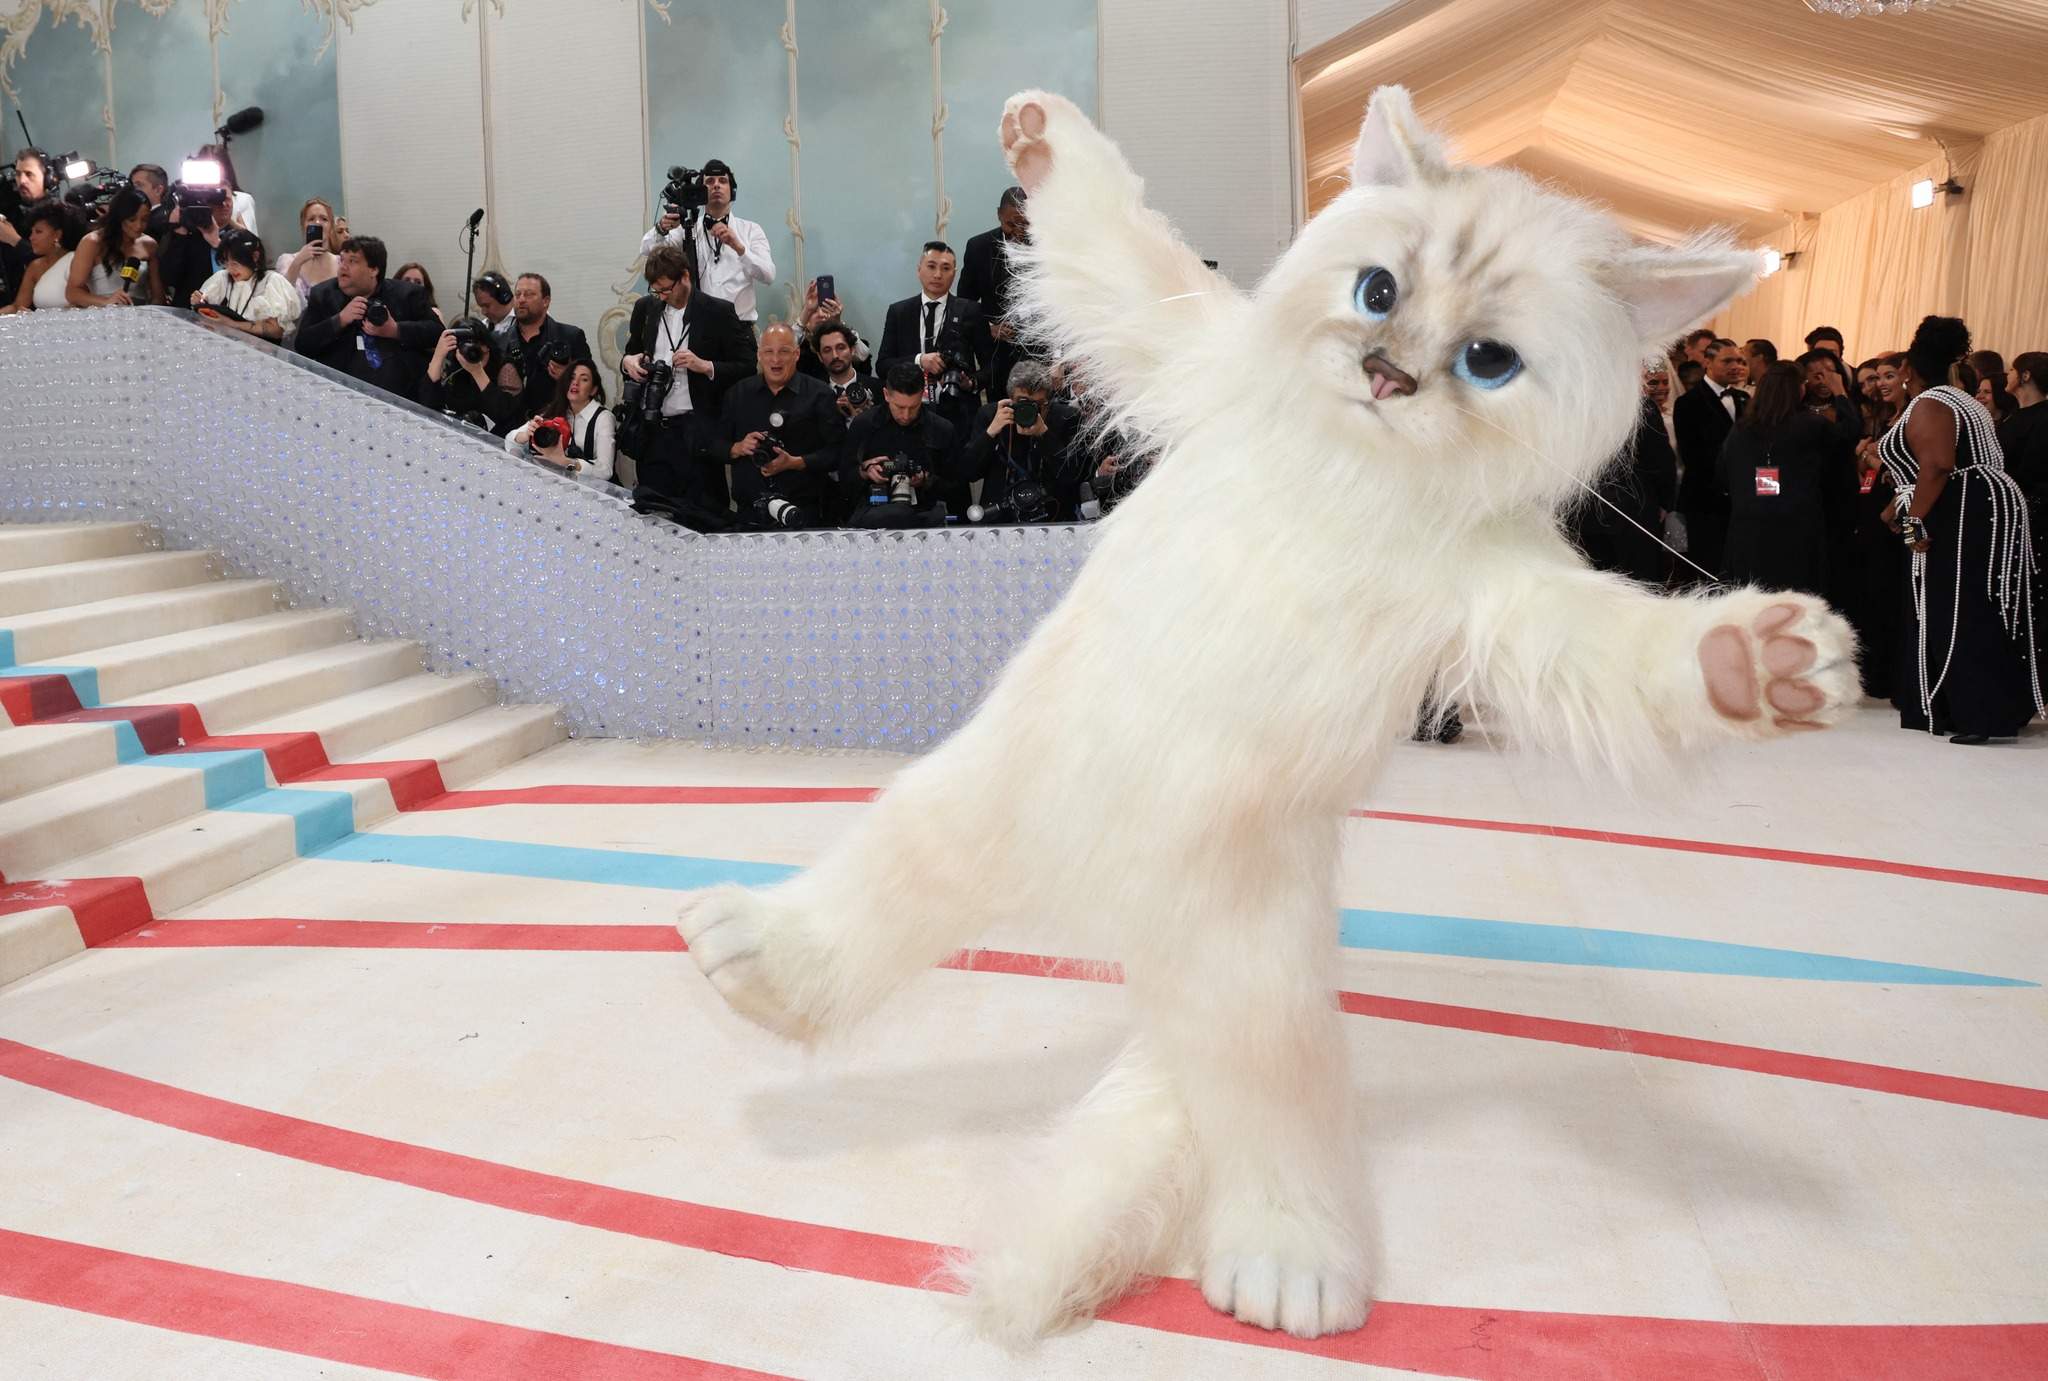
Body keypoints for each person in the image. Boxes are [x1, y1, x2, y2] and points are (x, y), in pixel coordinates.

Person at [1878, 315, 2045, 742]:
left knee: (1961, 607)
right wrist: (1897, 508)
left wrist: (1912, 521)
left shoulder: (1932, 401)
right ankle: (1977, 706)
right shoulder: (1962, 399)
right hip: (1983, 503)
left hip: (1963, 507)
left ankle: (1977, 713)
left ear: (1909, 371)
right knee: (1983, 604)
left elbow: (1936, 465)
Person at [619, 244, 755, 512]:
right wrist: (628, 362)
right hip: (654, 429)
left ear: (685, 277)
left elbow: (748, 365)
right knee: (652, 512)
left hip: (699, 434)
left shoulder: (718, 311)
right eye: (656, 290)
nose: (661, 296)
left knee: (705, 515)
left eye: (666, 289)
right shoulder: (646, 308)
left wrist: (705, 366)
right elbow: (631, 353)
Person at [1716, 360, 1859, 598]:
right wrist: (1840, 393)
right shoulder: (1812, 426)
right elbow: (1849, 434)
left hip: (1748, 529)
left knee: (1751, 602)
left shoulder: (1741, 429)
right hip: (1796, 531)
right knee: (1796, 603)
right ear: (1798, 389)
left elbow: (1721, 474)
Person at [719, 322, 847, 528]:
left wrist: (796, 462)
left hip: (804, 512)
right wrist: (738, 448)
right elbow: (715, 444)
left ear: (796, 354)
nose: (776, 360)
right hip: (749, 514)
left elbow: (838, 452)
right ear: (759, 355)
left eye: (784, 352)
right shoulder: (737, 394)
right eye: (769, 351)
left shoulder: (819, 394)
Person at [294, 234, 440, 396]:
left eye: (353, 261)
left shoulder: (407, 295)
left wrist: (396, 330)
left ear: (374, 269)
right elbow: (302, 345)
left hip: (400, 396)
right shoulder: (322, 295)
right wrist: (339, 320)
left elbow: (436, 333)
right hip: (340, 395)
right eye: (342, 260)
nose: (343, 267)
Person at [1576, 364, 1679, 585]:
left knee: (1595, 580)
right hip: (1633, 509)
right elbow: (1660, 461)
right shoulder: (1640, 407)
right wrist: (1664, 502)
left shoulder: (1571, 408)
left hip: (1582, 510)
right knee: (1639, 580)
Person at [639, 158, 772, 325]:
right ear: (701, 192)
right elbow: (647, 250)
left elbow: (768, 275)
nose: (716, 185)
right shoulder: (687, 229)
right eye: (709, 181)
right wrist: (661, 228)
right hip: (699, 328)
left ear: (733, 191)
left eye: (723, 181)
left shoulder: (751, 230)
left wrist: (739, 248)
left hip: (740, 327)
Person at [877, 240, 984, 431]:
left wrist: (971, 382)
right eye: (931, 266)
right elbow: (883, 365)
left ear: (954, 273)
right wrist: (919, 360)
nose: (937, 274)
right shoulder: (899, 311)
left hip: (957, 410)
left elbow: (991, 365)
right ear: (919, 270)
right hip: (910, 410)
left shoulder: (971, 310)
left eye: (945, 268)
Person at [840, 362, 959, 527]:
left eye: (913, 407)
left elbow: (955, 485)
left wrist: (926, 480)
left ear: (921, 395)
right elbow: (844, 479)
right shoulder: (864, 425)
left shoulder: (941, 429)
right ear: (886, 395)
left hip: (925, 516)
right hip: (873, 517)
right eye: (899, 407)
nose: (906, 415)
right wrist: (865, 472)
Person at [961, 360, 1080, 522]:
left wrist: (1044, 435)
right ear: (1010, 400)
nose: (1029, 410)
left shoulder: (1066, 417)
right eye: (1022, 402)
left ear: (1048, 402)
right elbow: (969, 472)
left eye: (1037, 405)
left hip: (1052, 514)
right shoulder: (990, 415)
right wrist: (990, 433)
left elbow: (1072, 476)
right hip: (1000, 516)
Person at [1673, 337, 1751, 579]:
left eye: (1739, 360)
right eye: (1727, 360)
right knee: (1707, 568)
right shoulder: (1688, 402)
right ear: (1707, 362)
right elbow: (1694, 457)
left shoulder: (1744, 400)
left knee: (1737, 567)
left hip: (1740, 501)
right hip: (1706, 501)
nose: (1736, 365)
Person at [960, 185, 1030, 394]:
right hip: (995, 353)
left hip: (1037, 351)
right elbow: (965, 302)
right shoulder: (978, 247)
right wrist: (988, 327)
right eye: (1010, 224)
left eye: (1024, 224)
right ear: (998, 215)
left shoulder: (1047, 248)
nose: (1017, 231)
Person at [507, 359, 616, 482]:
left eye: (584, 379)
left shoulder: (603, 418)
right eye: (572, 378)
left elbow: (605, 471)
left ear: (593, 390)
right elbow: (509, 441)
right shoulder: (555, 409)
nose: (575, 383)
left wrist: (567, 462)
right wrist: (526, 435)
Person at [501, 273, 590, 422]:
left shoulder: (571, 337)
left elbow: (591, 390)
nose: (521, 299)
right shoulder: (499, 339)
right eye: (517, 294)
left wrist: (567, 378)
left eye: (529, 295)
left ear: (546, 301)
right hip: (508, 431)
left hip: (555, 429)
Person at [190, 228, 300, 341]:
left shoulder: (271, 281)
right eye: (226, 262)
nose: (230, 269)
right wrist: (200, 303)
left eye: (235, 263)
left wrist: (231, 324)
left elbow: (276, 331)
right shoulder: (222, 277)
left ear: (255, 257)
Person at [419, 316, 520, 432]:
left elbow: (505, 414)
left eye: (478, 345)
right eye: (466, 346)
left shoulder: (505, 368)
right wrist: (438, 356)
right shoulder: (455, 368)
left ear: (488, 345)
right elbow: (427, 405)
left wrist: (477, 372)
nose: (473, 351)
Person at [65, 186, 159, 308]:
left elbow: (158, 297)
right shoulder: (92, 242)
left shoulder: (149, 245)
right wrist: (107, 301)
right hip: (103, 316)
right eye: (132, 220)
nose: (139, 226)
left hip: (141, 317)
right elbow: (72, 293)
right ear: (118, 217)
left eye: (145, 219)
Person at [1998, 351, 2047, 566]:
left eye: (2012, 370)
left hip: (2028, 519)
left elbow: (2032, 470)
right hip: (2007, 510)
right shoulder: (2014, 416)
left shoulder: (2043, 418)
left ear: (2025, 376)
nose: (2008, 375)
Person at [0, 203, 74, 314]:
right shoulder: (35, 266)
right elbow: (17, 306)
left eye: (38, 232)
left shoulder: (76, 260)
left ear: (57, 235)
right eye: (31, 232)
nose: (31, 237)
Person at [276, 198, 344, 305]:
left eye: (324, 219)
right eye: (311, 219)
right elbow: (283, 302)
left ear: (331, 227)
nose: (317, 223)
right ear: (303, 225)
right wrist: (297, 263)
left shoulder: (342, 262)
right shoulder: (288, 261)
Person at [812, 318, 878, 417]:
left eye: (840, 348)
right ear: (819, 356)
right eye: (827, 350)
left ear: (852, 350)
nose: (835, 356)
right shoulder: (813, 395)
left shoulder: (878, 388)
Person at [193, 143, 257, 233]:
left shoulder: (241, 200)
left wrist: (226, 217)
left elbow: (251, 241)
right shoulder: (193, 202)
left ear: (225, 169)